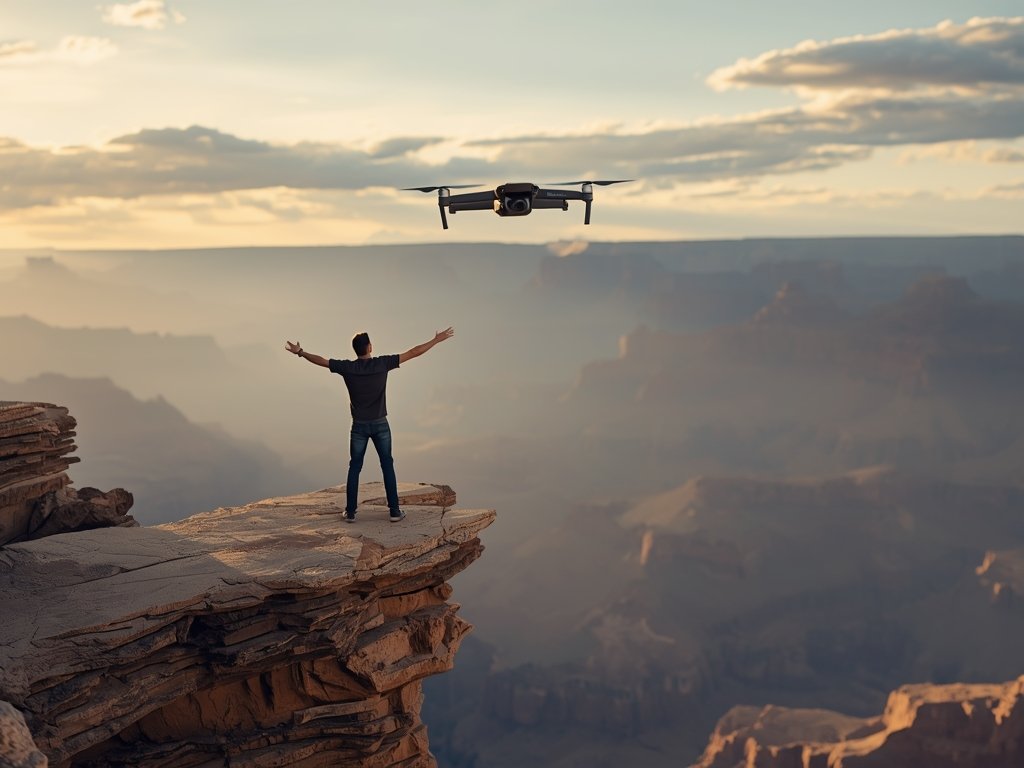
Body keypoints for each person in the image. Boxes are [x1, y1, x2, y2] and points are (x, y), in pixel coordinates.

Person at [284, 328, 454, 523]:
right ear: (370, 347)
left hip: (359, 427)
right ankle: (394, 511)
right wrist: (435, 340)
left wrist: (300, 352)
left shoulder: (348, 368)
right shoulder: (382, 364)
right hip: (381, 424)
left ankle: (350, 513)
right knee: (387, 465)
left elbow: (322, 361)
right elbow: (414, 352)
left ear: (355, 350)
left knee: (354, 467)